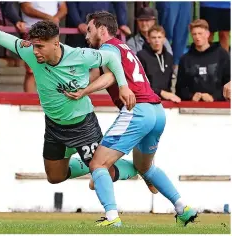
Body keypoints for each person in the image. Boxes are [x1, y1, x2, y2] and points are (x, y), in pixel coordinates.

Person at [0, 20, 160, 199]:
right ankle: (96, 163)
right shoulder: (28, 50)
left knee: (103, 173)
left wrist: (122, 85)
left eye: (40, 46)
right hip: (55, 125)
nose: (35, 51)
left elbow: (111, 58)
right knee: (55, 177)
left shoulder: (80, 55)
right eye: (34, 46)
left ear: (55, 43)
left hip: (83, 123)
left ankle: (138, 170)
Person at [65, 11, 197, 227]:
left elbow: (109, 77)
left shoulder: (107, 49)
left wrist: (84, 92)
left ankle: (112, 218)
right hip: (157, 112)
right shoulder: (124, 48)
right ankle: (183, 208)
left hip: (137, 111)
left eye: (89, 30)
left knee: (98, 163)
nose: (86, 35)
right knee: (145, 167)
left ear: (101, 29)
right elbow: (98, 74)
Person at [137, 25, 180, 103]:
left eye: (159, 37)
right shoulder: (141, 56)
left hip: (166, 101)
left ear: (164, 39)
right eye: (154, 38)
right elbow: (140, 84)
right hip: (147, 101)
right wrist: (161, 92)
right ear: (148, 39)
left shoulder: (169, 57)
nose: (157, 40)